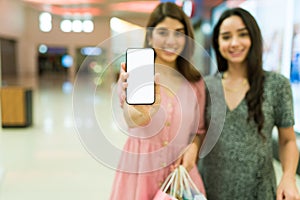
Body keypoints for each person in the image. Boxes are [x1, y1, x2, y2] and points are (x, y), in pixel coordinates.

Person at [198, 7, 300, 200]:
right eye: (226, 37)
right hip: (210, 187)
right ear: (217, 43)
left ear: (254, 37)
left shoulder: (276, 85)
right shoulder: (206, 86)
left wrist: (288, 177)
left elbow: (287, 140)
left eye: (242, 34)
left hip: (258, 191)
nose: (234, 43)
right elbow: (197, 135)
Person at [110, 2, 206, 200]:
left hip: (180, 174)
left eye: (179, 33)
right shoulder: (134, 74)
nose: (171, 41)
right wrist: (142, 113)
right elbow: (130, 119)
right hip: (140, 172)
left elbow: (198, 131)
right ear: (150, 36)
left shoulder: (195, 83)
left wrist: (193, 148)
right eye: (162, 32)